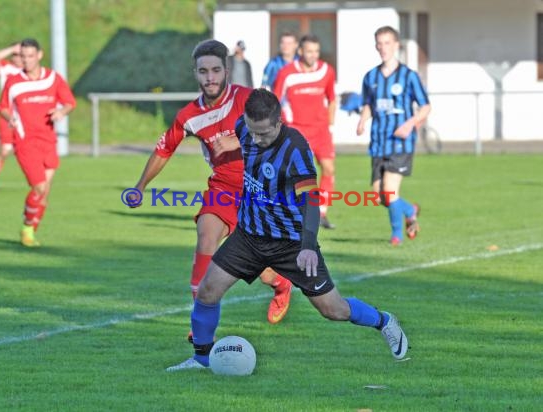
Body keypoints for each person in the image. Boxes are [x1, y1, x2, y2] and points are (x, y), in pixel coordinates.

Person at [166, 89, 409, 371]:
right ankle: (201, 359)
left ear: (279, 122)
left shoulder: (296, 149)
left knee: (333, 309)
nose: (257, 139)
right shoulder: (245, 127)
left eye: (265, 134)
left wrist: (308, 245)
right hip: (249, 236)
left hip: (291, 244)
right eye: (253, 132)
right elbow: (241, 134)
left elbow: (310, 201)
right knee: (208, 290)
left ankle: (384, 321)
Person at [129, 40, 292, 332]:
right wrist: (140, 186)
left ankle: (281, 285)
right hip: (223, 188)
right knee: (206, 237)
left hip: (260, 187)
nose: (210, 77)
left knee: (260, 268)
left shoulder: (248, 99)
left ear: (226, 70)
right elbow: (164, 149)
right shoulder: (189, 116)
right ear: (196, 73)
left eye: (216, 70)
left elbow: (280, 132)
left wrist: (239, 139)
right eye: (203, 71)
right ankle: (200, 325)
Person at [356, 26, 431, 246]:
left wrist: (410, 124)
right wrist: (363, 119)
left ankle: (396, 235)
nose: (383, 47)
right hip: (379, 142)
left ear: (396, 45)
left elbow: (425, 107)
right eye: (379, 43)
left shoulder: (409, 76)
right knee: (378, 196)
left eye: (387, 43)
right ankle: (409, 209)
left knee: (389, 192)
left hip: (400, 142)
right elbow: (369, 104)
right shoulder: (370, 77)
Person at [0, 38, 76, 247]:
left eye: (30, 56)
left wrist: (61, 111)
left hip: (49, 141)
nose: (26, 60)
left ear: (39, 55)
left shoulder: (53, 79)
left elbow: (70, 102)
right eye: (23, 56)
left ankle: (30, 230)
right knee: (40, 188)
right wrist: (10, 118)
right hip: (25, 143)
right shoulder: (14, 82)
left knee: (44, 193)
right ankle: (27, 227)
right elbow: (3, 107)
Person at [273, 34, 337, 229]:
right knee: (298, 175)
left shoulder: (326, 71)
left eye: (316, 51)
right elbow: (276, 100)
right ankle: (292, 213)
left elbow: (332, 98)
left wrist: (330, 124)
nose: (313, 55)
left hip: (321, 131)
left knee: (329, 169)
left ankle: (322, 212)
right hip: (297, 130)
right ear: (300, 52)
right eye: (309, 51)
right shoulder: (286, 73)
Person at [0, 42, 24, 194]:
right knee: (6, 150)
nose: (18, 57)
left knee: (28, 149)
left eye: (20, 54)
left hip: (25, 115)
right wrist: (12, 48)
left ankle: (36, 181)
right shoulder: (5, 68)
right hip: (7, 114)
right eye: (16, 54)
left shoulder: (29, 72)